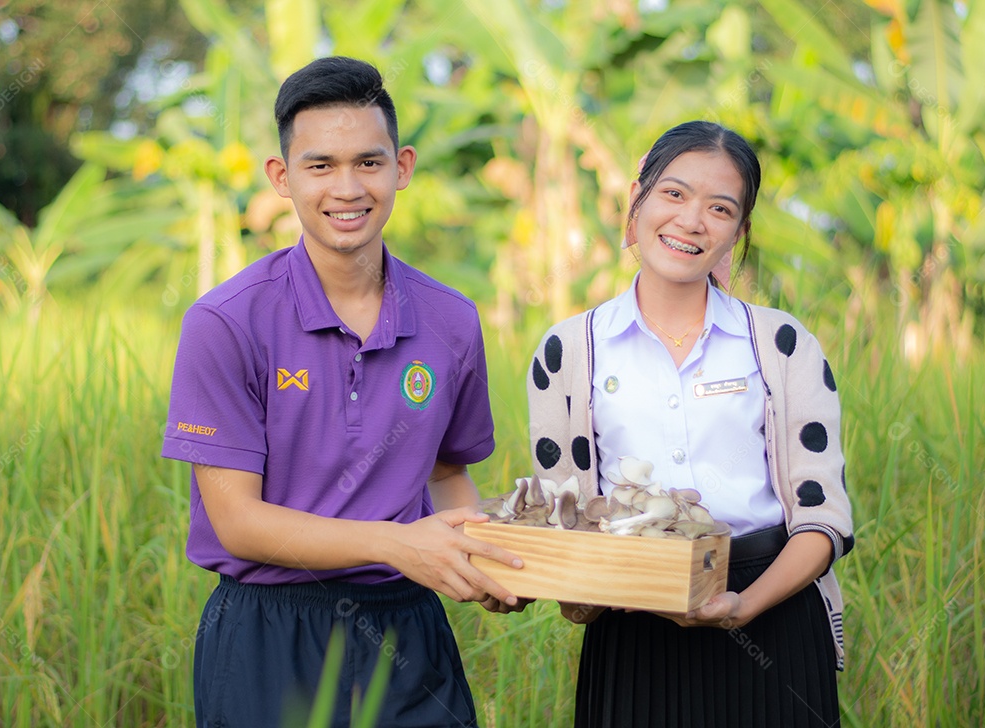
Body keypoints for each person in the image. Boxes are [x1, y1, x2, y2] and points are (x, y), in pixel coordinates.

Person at [161, 56, 523, 728]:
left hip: (409, 632)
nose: (347, 188)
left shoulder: (451, 321)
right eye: (320, 165)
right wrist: (396, 543)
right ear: (282, 177)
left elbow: (448, 470)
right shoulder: (226, 322)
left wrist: (483, 561)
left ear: (403, 168)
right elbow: (238, 522)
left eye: (369, 162)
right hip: (269, 634)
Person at [527, 120, 855, 727]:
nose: (691, 220)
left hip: (773, 615)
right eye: (674, 194)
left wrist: (743, 605)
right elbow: (560, 517)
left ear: (738, 231)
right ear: (637, 200)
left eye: (720, 207)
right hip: (631, 629)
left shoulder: (783, 345)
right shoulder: (568, 352)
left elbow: (823, 518)